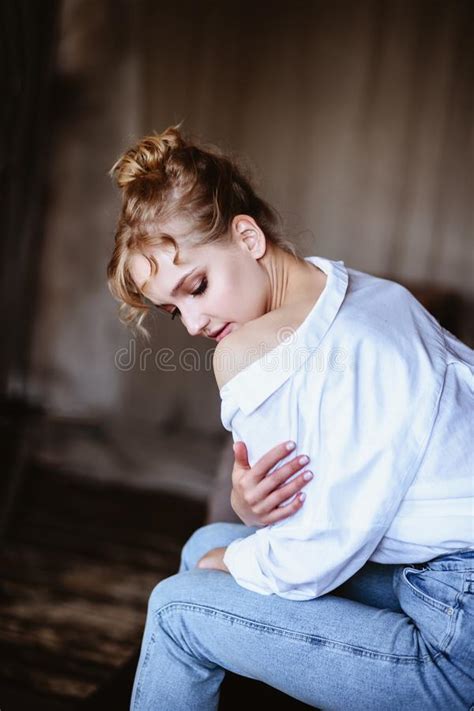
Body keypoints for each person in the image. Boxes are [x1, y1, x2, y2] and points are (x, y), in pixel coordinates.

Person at [106, 125, 474, 711]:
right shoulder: (372, 295)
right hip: (435, 572)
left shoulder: (250, 351)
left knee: (178, 607)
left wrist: (239, 549)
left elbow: (312, 550)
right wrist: (250, 515)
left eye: (196, 286)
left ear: (247, 237)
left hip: (460, 632)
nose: (195, 323)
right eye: (174, 310)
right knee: (208, 542)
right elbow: (330, 498)